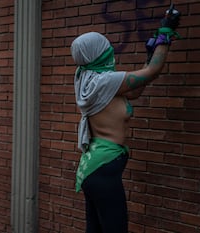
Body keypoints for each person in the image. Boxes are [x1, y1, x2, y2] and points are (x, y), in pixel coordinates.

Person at [70, 5, 181, 233]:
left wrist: (150, 54)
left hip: (93, 168)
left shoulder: (87, 79)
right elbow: (154, 71)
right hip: (102, 170)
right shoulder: (105, 81)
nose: (110, 47)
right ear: (98, 52)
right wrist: (165, 33)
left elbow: (135, 90)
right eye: (105, 45)